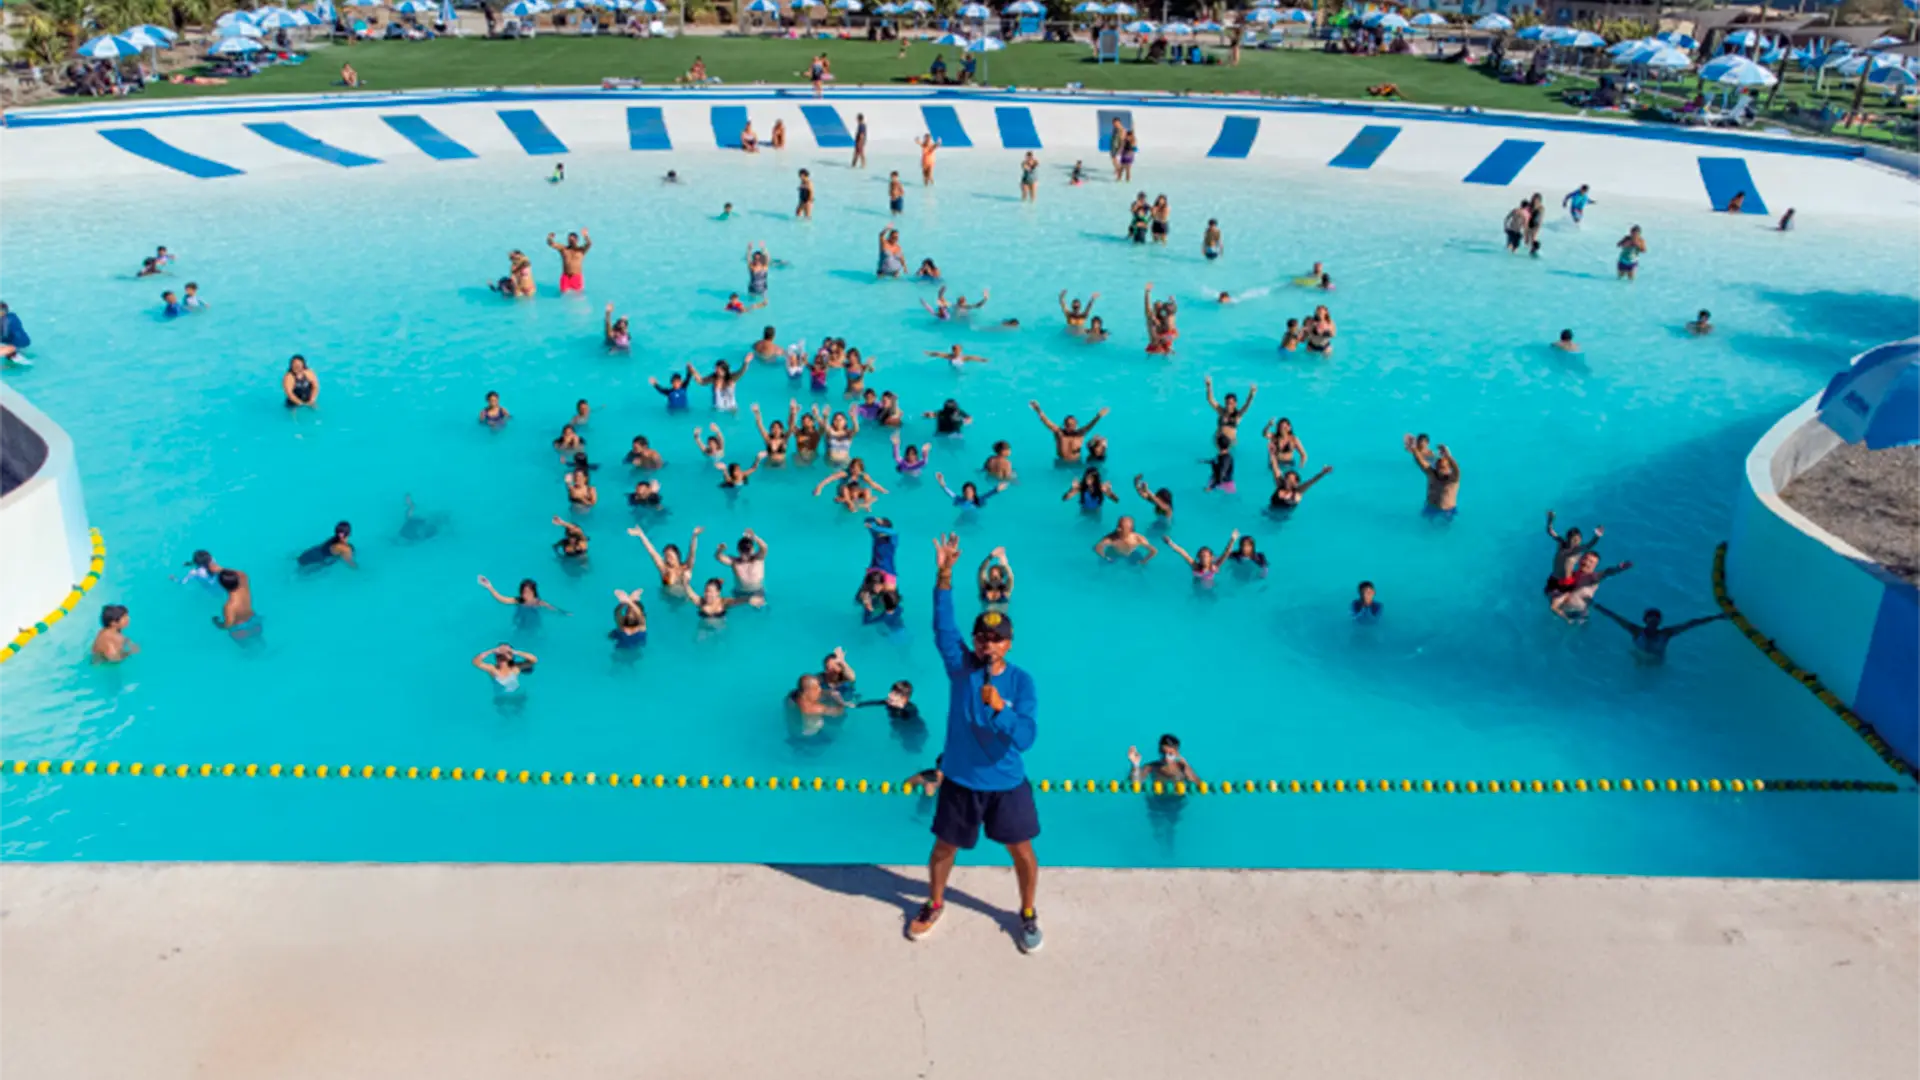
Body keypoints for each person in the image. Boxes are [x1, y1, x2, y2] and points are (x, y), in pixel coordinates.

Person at [909, 534, 1042, 953]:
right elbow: (942, 628)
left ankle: (1026, 912)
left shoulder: (1021, 682)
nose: (988, 644)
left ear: (1009, 643)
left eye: (997, 638)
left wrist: (1001, 708)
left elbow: (1027, 737)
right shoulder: (961, 669)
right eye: (982, 639)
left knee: (1021, 852)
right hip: (962, 781)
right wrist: (944, 574)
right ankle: (934, 902)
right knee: (944, 848)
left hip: (1005, 784)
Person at [1592, 604, 1728, 661]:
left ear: (1659, 621)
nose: (1653, 619)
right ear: (1645, 620)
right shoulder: (1636, 631)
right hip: (1637, 660)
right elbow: (1615, 617)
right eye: (1651, 617)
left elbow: (1691, 624)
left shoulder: (1666, 633)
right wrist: (1596, 606)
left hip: (1656, 663)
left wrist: (1716, 617)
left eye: (1656, 617)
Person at [1549, 551, 1632, 622]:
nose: (1586, 562)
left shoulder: (1592, 578)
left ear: (1595, 566)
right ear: (1580, 559)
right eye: (1585, 558)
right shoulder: (1572, 574)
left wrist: (1618, 569)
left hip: (1578, 614)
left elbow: (1606, 573)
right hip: (1561, 611)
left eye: (1591, 562)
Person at [628, 523, 700, 595]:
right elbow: (653, 552)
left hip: (683, 600)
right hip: (667, 599)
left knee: (686, 574)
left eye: (670, 556)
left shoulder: (685, 567)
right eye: (666, 556)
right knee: (669, 577)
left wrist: (694, 537)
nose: (668, 558)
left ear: (677, 556)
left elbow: (692, 554)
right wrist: (641, 535)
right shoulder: (664, 569)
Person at [1030, 401, 1108, 462]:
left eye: (1072, 425)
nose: (1070, 427)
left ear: (1076, 425)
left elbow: (1090, 425)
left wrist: (1098, 416)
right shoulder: (1059, 433)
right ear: (1064, 425)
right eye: (1068, 424)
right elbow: (1046, 421)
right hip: (1061, 462)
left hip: (1077, 463)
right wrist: (1038, 410)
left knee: (1098, 444)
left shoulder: (1080, 434)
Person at [1404, 434, 1460, 519]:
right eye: (1439, 467)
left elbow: (1457, 469)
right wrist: (1414, 449)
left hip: (1447, 511)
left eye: (1443, 467)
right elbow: (1421, 462)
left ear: (1449, 469)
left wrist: (1448, 456)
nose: (1441, 469)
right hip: (1430, 508)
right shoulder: (1432, 474)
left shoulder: (1452, 479)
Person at [1163, 530, 1230, 587]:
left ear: (1210, 558)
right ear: (1199, 557)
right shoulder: (1195, 566)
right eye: (1201, 556)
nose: (1203, 558)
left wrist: (1232, 540)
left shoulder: (1214, 566)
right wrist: (1170, 543)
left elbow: (1225, 554)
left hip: (1210, 587)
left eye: (1206, 556)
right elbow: (1183, 553)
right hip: (1196, 585)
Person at [1204, 376, 1256, 446]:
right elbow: (1210, 400)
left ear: (1235, 404)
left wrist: (1251, 395)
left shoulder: (1238, 415)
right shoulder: (1221, 411)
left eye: (1231, 403)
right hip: (1218, 441)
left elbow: (1247, 405)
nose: (1228, 405)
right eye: (1227, 403)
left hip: (1230, 443)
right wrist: (1209, 386)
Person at [1127, 735, 1199, 785]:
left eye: (1170, 754)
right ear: (1159, 751)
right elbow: (1135, 782)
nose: (1166, 758)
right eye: (1163, 753)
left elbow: (1198, 785)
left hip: (1179, 804)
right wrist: (1135, 765)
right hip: (1156, 804)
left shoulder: (1182, 767)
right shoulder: (1152, 766)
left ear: (1177, 753)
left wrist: (1187, 767)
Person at [715, 530, 768, 595]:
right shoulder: (734, 562)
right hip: (740, 593)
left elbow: (764, 547)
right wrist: (720, 550)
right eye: (742, 549)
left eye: (748, 549)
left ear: (753, 549)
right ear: (738, 550)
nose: (745, 552)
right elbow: (718, 557)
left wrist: (754, 537)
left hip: (758, 592)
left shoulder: (758, 559)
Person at [1268, 458, 1333, 511]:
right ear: (1285, 479)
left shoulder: (1299, 490)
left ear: (1296, 482)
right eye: (1288, 478)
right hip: (1270, 511)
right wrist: (1272, 454)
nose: (1289, 481)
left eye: (1292, 480)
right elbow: (1275, 468)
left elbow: (1312, 481)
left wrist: (1323, 473)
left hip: (1284, 515)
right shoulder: (1280, 484)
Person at [473, 644, 537, 694]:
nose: (503, 657)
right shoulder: (493, 669)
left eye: (506, 655)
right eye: (499, 656)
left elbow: (534, 660)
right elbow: (476, 662)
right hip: (501, 698)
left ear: (511, 657)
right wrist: (492, 651)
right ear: (496, 658)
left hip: (517, 695)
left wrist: (513, 651)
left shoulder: (515, 668)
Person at [212, 568, 258, 639]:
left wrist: (218, 624)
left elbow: (228, 625)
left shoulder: (229, 606)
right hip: (254, 621)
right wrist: (221, 570)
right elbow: (242, 574)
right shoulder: (244, 585)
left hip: (242, 630)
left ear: (223, 586)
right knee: (260, 641)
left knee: (248, 647)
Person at [937, 471, 1005, 510]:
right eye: (966, 492)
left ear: (974, 492)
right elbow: (949, 493)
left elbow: (988, 494)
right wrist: (942, 482)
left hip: (975, 516)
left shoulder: (979, 500)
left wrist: (997, 489)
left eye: (970, 491)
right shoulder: (959, 500)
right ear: (963, 493)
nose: (968, 493)